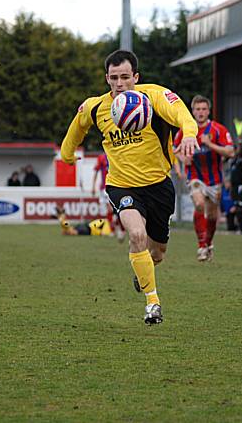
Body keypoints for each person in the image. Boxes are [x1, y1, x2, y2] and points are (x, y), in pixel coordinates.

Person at [60, 49, 198, 325]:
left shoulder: (155, 97)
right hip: (121, 186)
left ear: (136, 76)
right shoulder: (96, 107)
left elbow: (183, 115)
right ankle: (153, 304)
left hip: (159, 186)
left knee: (156, 253)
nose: (119, 83)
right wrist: (67, 154)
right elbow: (76, 128)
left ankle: (143, 270)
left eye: (125, 76)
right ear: (107, 78)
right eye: (114, 78)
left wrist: (190, 134)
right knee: (136, 234)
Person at [173, 94, 234, 262]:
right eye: (197, 109)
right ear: (192, 111)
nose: (200, 112)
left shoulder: (218, 130)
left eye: (204, 109)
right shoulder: (186, 130)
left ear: (209, 111)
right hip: (194, 176)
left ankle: (208, 243)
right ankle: (201, 246)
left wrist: (210, 144)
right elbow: (173, 149)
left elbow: (231, 151)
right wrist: (183, 159)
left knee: (213, 215)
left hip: (214, 179)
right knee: (199, 204)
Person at [91, 152, 125, 241]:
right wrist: (93, 186)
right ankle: (114, 230)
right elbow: (96, 171)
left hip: (115, 186)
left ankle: (120, 228)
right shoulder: (101, 158)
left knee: (114, 209)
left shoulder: (116, 155)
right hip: (103, 188)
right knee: (109, 210)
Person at [226, 147, 242, 234]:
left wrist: (240, 145)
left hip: (240, 187)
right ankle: (233, 227)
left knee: (239, 208)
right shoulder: (232, 163)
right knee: (232, 208)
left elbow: (240, 153)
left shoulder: (241, 161)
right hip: (234, 188)